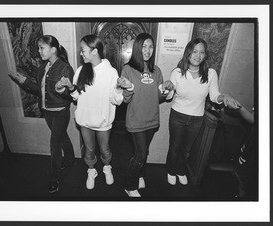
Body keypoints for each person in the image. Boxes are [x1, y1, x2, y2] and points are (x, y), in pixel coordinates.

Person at [166, 38, 240, 186]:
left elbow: (214, 96)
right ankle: (171, 170)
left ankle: (180, 170)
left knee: (187, 149)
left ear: (205, 55)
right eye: (194, 51)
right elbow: (169, 96)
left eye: (201, 52)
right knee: (174, 147)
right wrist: (167, 88)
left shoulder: (211, 73)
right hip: (177, 116)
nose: (198, 55)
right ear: (188, 53)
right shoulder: (177, 72)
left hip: (197, 118)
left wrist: (224, 96)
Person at [8, 35, 76, 194]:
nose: (39, 51)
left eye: (41, 48)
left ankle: (53, 178)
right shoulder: (43, 67)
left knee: (55, 145)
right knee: (62, 137)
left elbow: (70, 96)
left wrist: (63, 88)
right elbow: (39, 90)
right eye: (39, 48)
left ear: (53, 50)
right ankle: (70, 160)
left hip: (60, 112)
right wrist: (23, 81)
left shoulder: (65, 68)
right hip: (47, 111)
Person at [56, 34, 124, 190]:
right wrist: (71, 87)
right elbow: (76, 97)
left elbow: (116, 100)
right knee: (89, 149)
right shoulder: (81, 70)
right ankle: (91, 170)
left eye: (83, 50)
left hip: (103, 121)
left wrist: (119, 88)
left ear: (95, 51)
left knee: (105, 150)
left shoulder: (111, 72)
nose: (81, 53)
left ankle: (107, 167)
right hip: (85, 120)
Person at [119, 33, 174, 197]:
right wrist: (127, 88)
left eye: (150, 47)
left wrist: (166, 88)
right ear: (137, 48)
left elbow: (158, 97)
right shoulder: (128, 69)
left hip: (152, 120)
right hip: (135, 121)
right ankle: (129, 185)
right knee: (140, 154)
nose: (148, 50)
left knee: (143, 153)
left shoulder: (156, 70)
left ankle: (140, 175)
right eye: (144, 46)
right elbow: (125, 100)